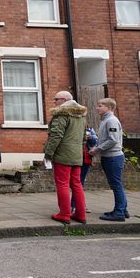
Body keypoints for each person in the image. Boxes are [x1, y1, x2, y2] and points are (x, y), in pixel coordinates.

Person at [44, 91, 88, 224]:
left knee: (62, 184)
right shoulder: (81, 115)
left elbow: (56, 135)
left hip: (63, 154)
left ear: (64, 100)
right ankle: (80, 215)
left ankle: (64, 214)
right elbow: (84, 136)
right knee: (76, 184)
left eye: (56, 99)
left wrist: (48, 153)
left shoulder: (61, 114)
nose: (54, 102)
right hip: (76, 154)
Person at [90, 98, 129, 222]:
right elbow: (104, 139)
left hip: (113, 157)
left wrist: (97, 150)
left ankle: (119, 213)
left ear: (109, 107)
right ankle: (123, 209)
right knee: (116, 184)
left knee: (116, 185)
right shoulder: (105, 120)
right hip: (109, 157)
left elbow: (113, 140)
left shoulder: (111, 121)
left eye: (100, 105)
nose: (97, 108)